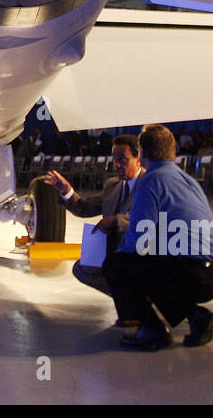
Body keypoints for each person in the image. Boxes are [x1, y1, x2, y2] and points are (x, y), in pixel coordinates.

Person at [103, 124, 213, 350]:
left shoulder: (151, 181)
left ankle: (153, 331)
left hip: (193, 274)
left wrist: (120, 264)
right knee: (154, 264)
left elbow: (139, 237)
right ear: (173, 151)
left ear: (142, 153)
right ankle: (197, 317)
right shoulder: (187, 180)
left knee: (117, 265)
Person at [44, 135, 145, 327]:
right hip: (114, 252)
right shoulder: (112, 186)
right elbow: (85, 208)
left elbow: (151, 220)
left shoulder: (149, 183)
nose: (117, 164)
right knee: (83, 269)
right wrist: (66, 190)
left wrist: (116, 220)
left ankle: (137, 303)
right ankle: (132, 301)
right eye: (114, 158)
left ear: (138, 158)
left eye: (122, 158)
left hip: (143, 253)